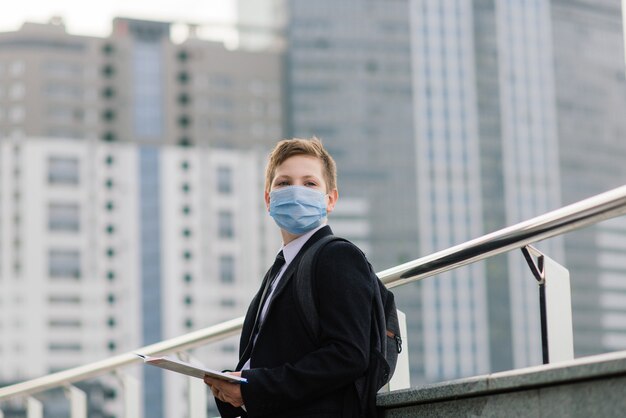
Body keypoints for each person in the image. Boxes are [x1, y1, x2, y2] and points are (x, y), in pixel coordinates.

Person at [204, 137, 375, 417]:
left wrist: (253, 388)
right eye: (284, 183)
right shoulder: (278, 270)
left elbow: (349, 355)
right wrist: (233, 385)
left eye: (309, 183)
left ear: (330, 199)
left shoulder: (337, 256)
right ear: (268, 199)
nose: (296, 191)